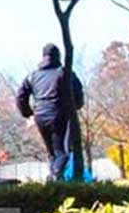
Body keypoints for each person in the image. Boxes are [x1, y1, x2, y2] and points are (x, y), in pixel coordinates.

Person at [17, 44, 86, 181]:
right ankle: (54, 177)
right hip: (60, 115)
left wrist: (28, 113)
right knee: (63, 153)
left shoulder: (33, 76)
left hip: (40, 117)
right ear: (58, 56)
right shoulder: (64, 73)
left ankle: (55, 186)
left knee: (53, 153)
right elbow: (78, 91)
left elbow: (20, 95)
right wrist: (76, 107)